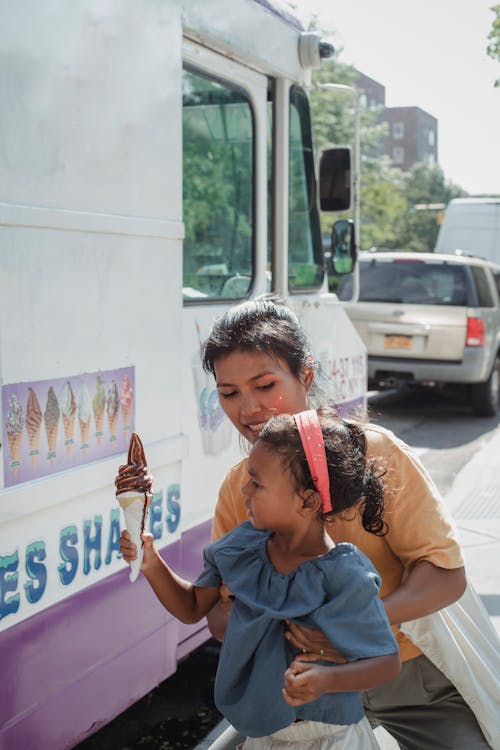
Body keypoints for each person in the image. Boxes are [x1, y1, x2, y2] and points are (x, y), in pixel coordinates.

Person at [198, 296, 492, 750]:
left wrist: (352, 624)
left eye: (265, 384)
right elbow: (218, 611)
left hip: (408, 673)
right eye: (229, 393)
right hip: (300, 693)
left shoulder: (378, 453)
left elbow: (445, 576)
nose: (249, 408)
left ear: (306, 376)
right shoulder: (240, 491)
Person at [121, 407, 400, 748]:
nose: (245, 492)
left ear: (307, 500)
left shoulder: (345, 574)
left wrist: (329, 679)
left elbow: (386, 663)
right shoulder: (242, 547)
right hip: (263, 739)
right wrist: (150, 561)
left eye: (257, 483)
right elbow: (192, 606)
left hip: (331, 739)